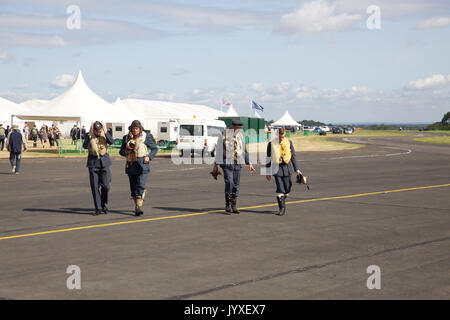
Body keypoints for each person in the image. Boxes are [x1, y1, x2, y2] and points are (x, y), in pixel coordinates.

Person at [211, 119, 255, 214]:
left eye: (240, 128)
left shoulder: (240, 136)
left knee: (236, 185)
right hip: (227, 163)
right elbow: (218, 150)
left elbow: (244, 150)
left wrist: (249, 163)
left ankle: (234, 206)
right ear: (233, 126)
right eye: (238, 128)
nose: (239, 130)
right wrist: (216, 165)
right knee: (229, 183)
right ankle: (228, 204)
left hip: (238, 163)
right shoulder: (223, 134)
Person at [119, 120, 158, 216]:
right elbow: (121, 151)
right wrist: (126, 150)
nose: (135, 130)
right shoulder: (126, 138)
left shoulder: (146, 136)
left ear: (140, 129)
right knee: (133, 187)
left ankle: (138, 207)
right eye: (133, 128)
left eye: (137, 128)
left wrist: (149, 157)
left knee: (140, 184)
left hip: (142, 164)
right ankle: (137, 204)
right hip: (131, 164)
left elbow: (154, 148)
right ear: (131, 129)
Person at [265, 128, 302, 216]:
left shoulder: (289, 142)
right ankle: (282, 208)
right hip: (276, 168)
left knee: (288, 187)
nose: (281, 138)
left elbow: (293, 157)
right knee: (280, 188)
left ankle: (283, 197)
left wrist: (297, 169)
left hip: (287, 167)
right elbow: (268, 158)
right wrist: (267, 172)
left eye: (283, 137)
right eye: (280, 137)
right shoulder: (271, 144)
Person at [83, 121, 113, 216]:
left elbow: (112, 142)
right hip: (93, 163)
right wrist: (90, 135)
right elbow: (85, 146)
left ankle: (103, 203)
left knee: (106, 186)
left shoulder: (105, 134)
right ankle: (98, 208)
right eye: (97, 131)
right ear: (93, 130)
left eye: (100, 130)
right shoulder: (89, 135)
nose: (98, 132)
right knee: (95, 187)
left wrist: (105, 130)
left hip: (104, 163)